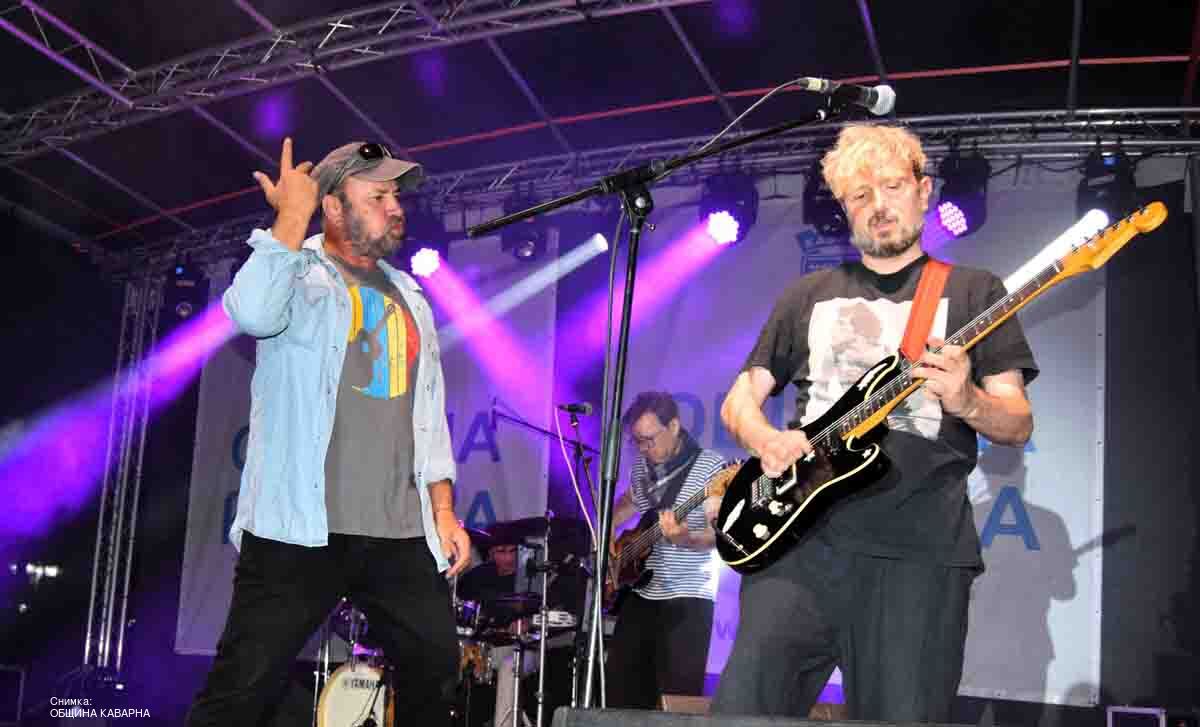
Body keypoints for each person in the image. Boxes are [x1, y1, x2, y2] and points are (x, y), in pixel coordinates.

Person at [708, 124, 1038, 722]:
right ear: (844, 209)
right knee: (743, 715)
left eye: (891, 187)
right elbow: (739, 402)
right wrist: (767, 440)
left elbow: (1016, 421)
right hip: (798, 547)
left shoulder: (974, 291)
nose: (878, 205)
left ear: (923, 190)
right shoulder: (806, 294)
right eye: (860, 195)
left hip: (917, 555)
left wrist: (966, 400)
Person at [186, 138, 472, 726]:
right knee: (243, 689)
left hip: (397, 530)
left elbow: (429, 416)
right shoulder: (298, 273)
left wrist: (444, 512)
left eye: (396, 197)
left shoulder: (412, 296)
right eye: (378, 197)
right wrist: (291, 216)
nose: (395, 207)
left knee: (437, 667)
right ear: (334, 207)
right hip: (300, 526)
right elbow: (251, 314)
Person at [605, 392, 727, 709]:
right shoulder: (642, 468)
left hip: (688, 597)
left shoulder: (711, 467)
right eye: (638, 442)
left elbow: (718, 535)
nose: (645, 449)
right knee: (621, 694)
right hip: (641, 593)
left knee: (677, 700)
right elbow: (628, 503)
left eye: (650, 439)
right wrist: (608, 529)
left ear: (673, 426)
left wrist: (685, 539)